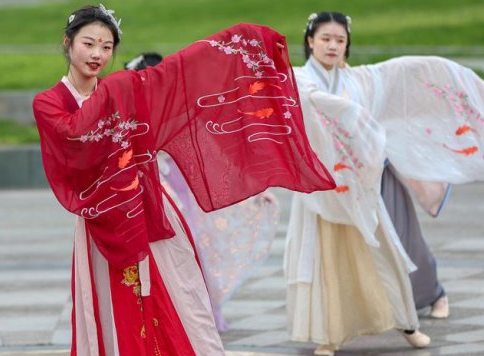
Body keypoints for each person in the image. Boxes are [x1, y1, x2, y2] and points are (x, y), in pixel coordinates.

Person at [32, 5, 336, 355]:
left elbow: (178, 77)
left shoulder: (125, 88)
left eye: (106, 46)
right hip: (103, 218)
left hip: (149, 206)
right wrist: (116, 91)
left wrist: (238, 44)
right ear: (68, 43)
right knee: (118, 306)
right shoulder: (51, 102)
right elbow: (73, 137)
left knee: (178, 295)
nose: (98, 54)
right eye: (89, 44)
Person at [285, 11, 484, 356]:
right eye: (326, 39)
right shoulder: (298, 79)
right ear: (310, 41)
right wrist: (348, 112)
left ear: (347, 44)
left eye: (340, 40)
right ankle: (330, 334)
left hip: (365, 182)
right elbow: (307, 102)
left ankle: (408, 321)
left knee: (392, 251)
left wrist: (453, 77)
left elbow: (405, 73)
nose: (333, 45)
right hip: (323, 188)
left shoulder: (359, 81)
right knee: (328, 259)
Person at [125, 51, 281, 333]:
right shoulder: (129, 118)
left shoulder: (181, 115)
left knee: (188, 251)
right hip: (142, 197)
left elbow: (215, 157)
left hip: (181, 196)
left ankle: (190, 320)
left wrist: (253, 190)